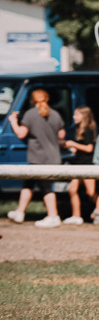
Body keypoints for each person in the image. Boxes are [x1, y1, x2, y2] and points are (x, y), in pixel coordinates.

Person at [6, 89, 64, 227]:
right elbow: (61, 136)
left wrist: (13, 121)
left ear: (32, 100)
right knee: (28, 184)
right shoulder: (55, 114)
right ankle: (20, 212)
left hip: (38, 158)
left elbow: (21, 133)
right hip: (53, 156)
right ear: (47, 99)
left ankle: (53, 216)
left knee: (46, 188)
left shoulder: (30, 114)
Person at [63, 106, 96, 225]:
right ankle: (76, 216)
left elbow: (89, 148)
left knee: (91, 192)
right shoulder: (79, 129)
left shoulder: (88, 130)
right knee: (72, 189)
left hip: (86, 165)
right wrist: (75, 149)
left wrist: (73, 144)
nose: (74, 117)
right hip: (79, 164)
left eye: (76, 115)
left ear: (84, 116)